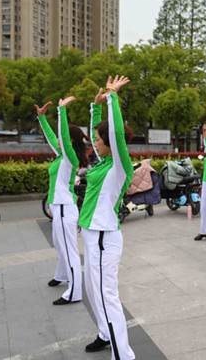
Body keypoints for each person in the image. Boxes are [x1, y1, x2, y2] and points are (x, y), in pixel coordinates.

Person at [79, 76, 136, 359]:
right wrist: (95, 107)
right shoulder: (103, 164)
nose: (95, 144)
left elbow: (114, 135)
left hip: (104, 237)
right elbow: (100, 133)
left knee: (106, 296)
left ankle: (123, 355)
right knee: (93, 291)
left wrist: (113, 97)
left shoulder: (120, 167)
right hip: (91, 234)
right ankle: (105, 334)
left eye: (99, 141)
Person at [36, 97, 88, 305]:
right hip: (58, 207)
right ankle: (62, 275)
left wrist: (62, 111)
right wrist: (41, 118)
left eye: (63, 138)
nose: (58, 140)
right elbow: (52, 137)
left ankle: (74, 292)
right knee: (60, 245)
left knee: (69, 250)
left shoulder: (70, 158)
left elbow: (62, 138)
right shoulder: (61, 157)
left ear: (71, 142)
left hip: (66, 209)